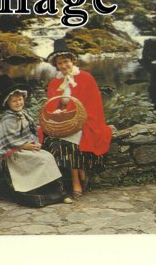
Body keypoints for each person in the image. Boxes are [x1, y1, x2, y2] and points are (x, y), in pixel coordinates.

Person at [39, 39, 112, 199]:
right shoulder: (55, 82)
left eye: (66, 61)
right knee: (55, 139)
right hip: (63, 122)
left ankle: (75, 182)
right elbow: (51, 105)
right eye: (60, 63)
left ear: (72, 61)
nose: (63, 66)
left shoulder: (86, 78)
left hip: (84, 120)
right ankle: (80, 173)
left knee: (71, 140)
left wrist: (74, 115)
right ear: (56, 65)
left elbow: (92, 104)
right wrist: (57, 113)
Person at [0, 80, 68, 207]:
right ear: (7, 103)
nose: (18, 103)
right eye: (14, 101)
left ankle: (55, 191)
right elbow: (10, 139)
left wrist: (33, 143)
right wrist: (24, 146)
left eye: (20, 99)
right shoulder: (8, 119)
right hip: (14, 152)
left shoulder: (23, 115)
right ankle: (39, 192)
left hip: (25, 147)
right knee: (41, 160)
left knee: (48, 156)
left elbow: (31, 131)